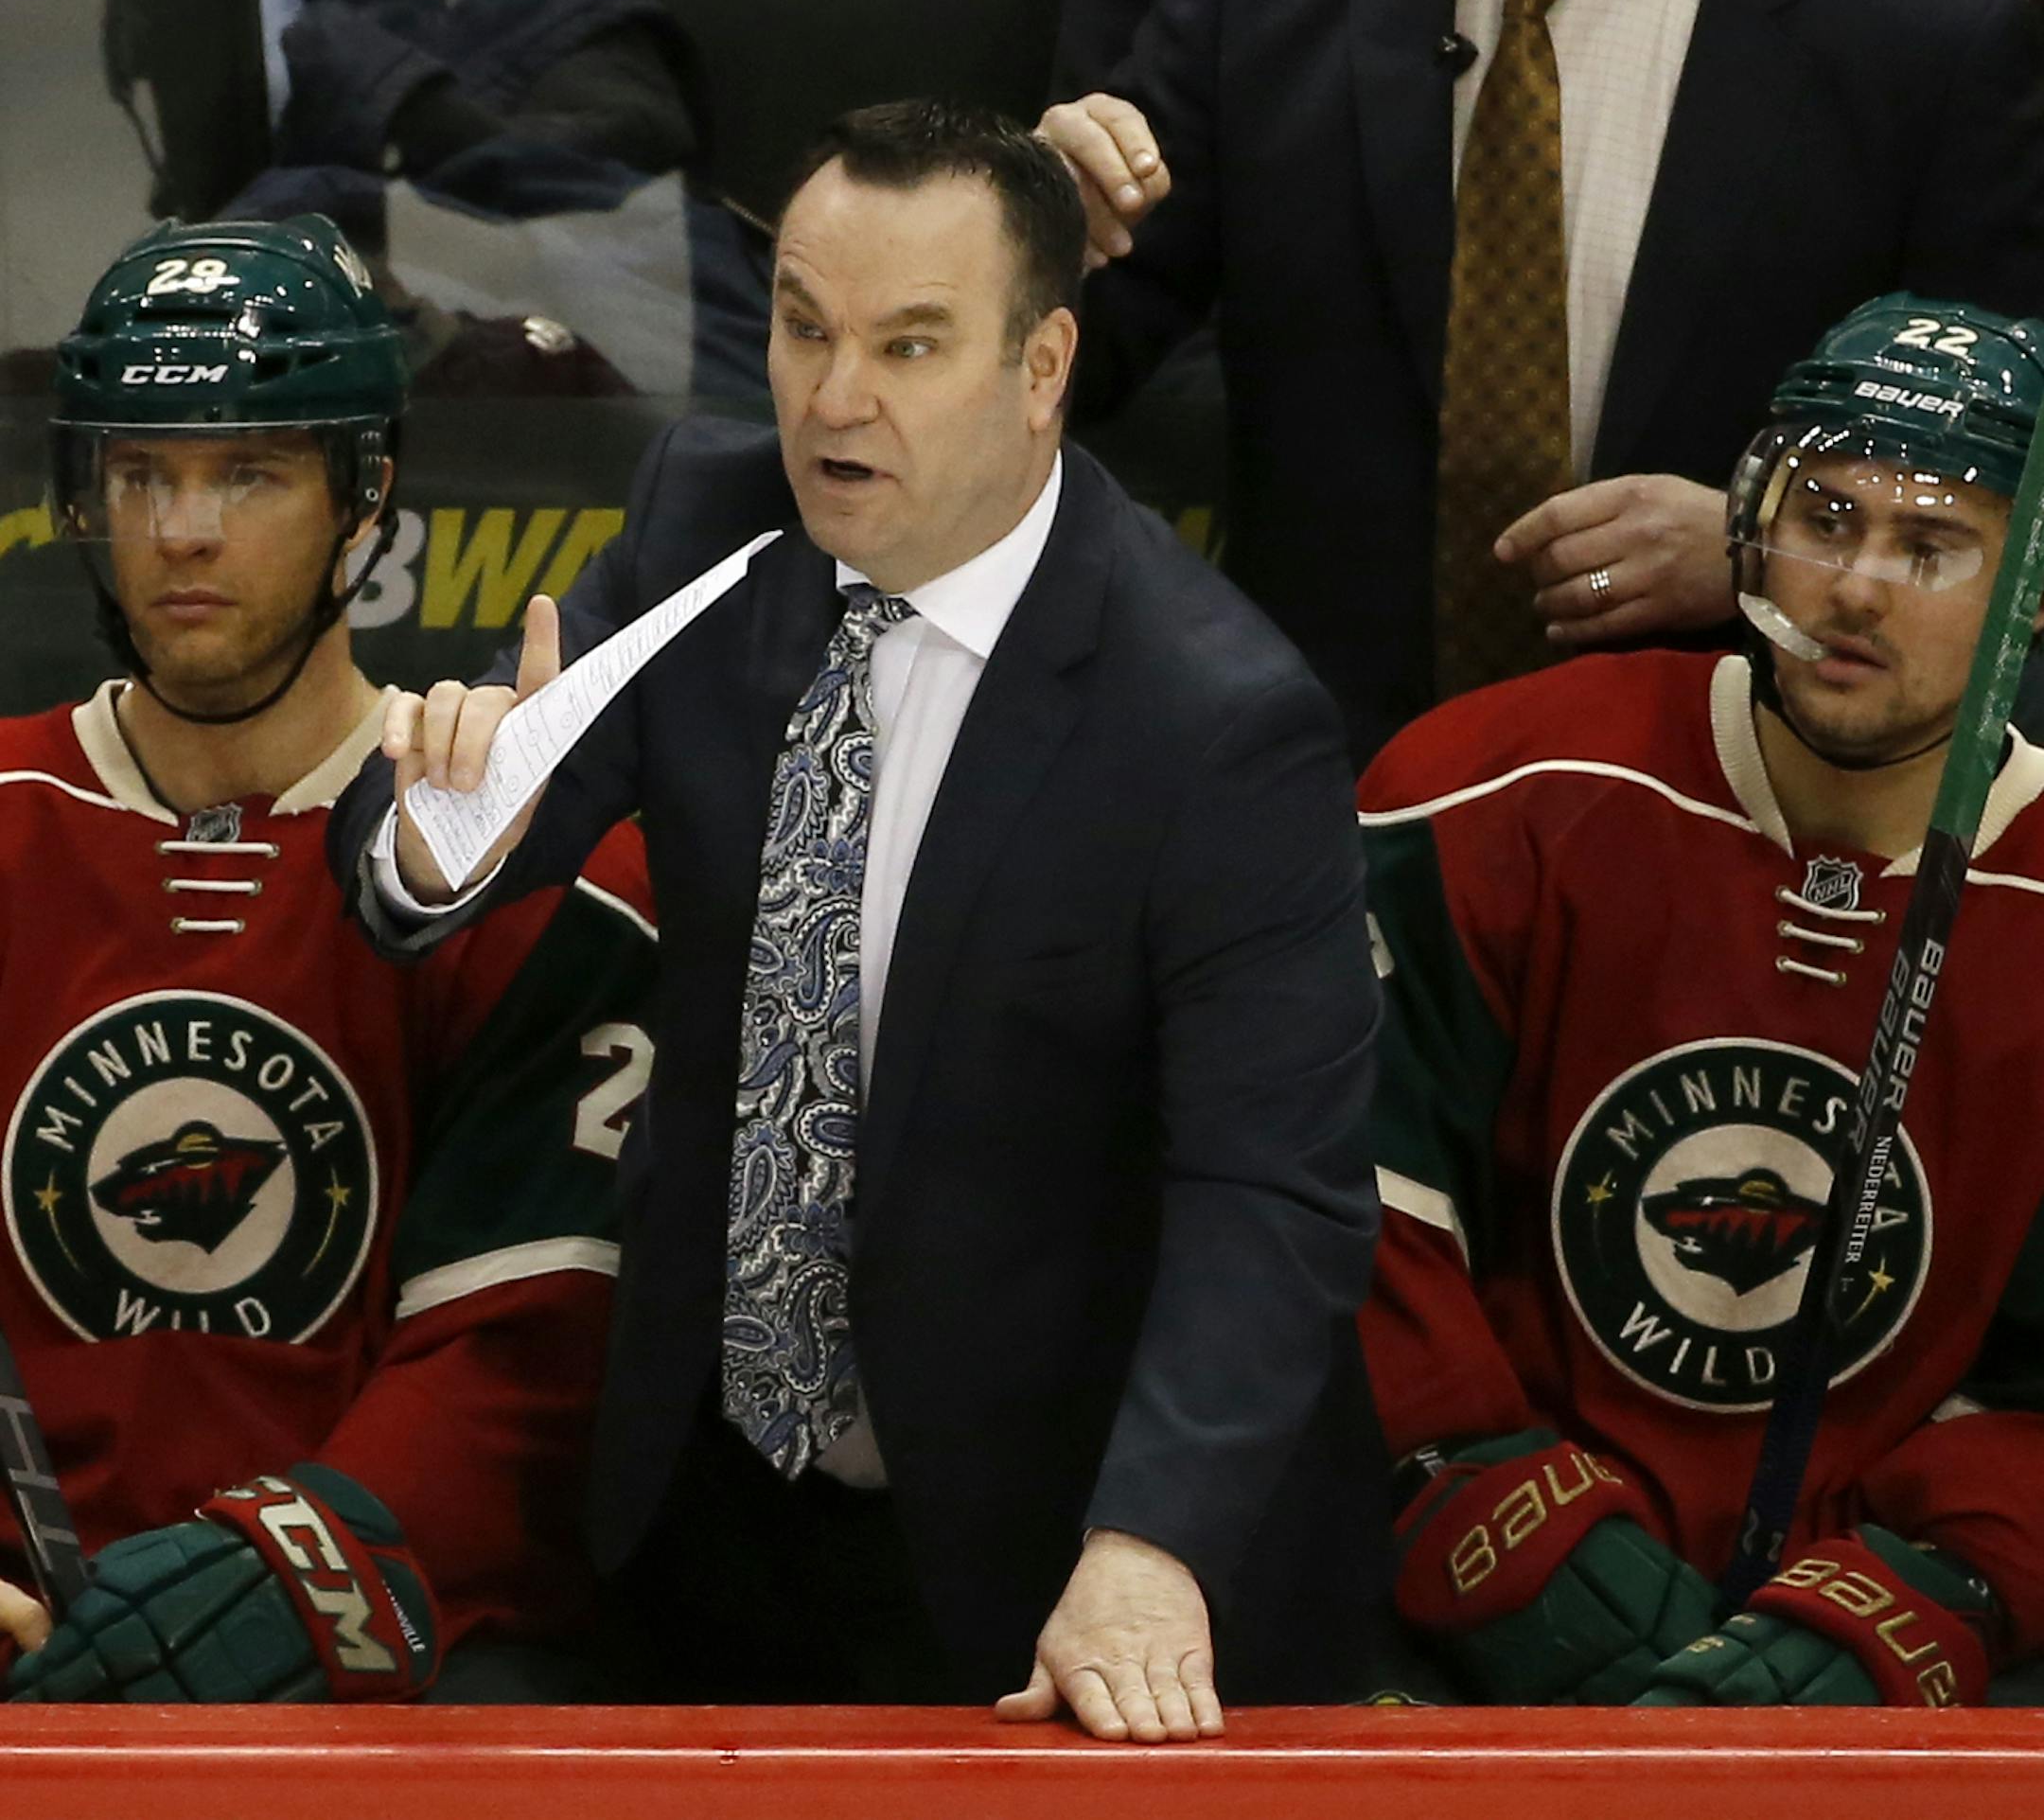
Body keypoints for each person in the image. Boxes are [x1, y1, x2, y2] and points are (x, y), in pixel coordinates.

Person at [327, 99, 1392, 1739]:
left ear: (1042, 368)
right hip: (715, 1497)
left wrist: (1152, 1540)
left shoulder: (1217, 720)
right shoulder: (705, 521)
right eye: (805, 327)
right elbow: (441, 835)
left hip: (1051, 1540)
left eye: (908, 346)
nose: (833, 400)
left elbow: (1273, 1190)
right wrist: (442, 825)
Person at [1353, 294, 2044, 1707]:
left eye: (1929, 547)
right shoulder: (1491, 791)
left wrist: (1939, 1587)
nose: (1855, 587)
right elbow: (1344, 1199)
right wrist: (1483, 1508)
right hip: (1451, 1630)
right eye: (1825, 520)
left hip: (1886, 1656)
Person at [0, 215, 654, 1704]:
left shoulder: (515, 866)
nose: (184, 530)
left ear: (366, 497)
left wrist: (296, 1579)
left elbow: (527, 1351)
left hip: (392, 1687)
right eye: (142, 473)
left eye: (250, 473)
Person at [1040, 0, 2044, 763]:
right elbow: (1078, 344)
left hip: (1727, 793)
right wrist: (1025, 236)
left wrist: (1767, 545)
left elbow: (2001, 461)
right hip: (1316, 782)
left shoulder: (1929, 36)